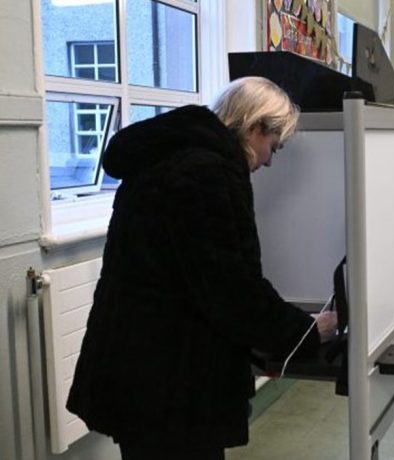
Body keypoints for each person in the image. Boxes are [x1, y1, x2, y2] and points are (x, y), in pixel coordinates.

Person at [66, 77, 338, 460]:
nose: (268, 160)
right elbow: (232, 290)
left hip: (139, 367)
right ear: (255, 127)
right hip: (170, 384)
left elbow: (198, 279)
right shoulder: (207, 174)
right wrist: (305, 332)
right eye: (273, 146)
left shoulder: (168, 156)